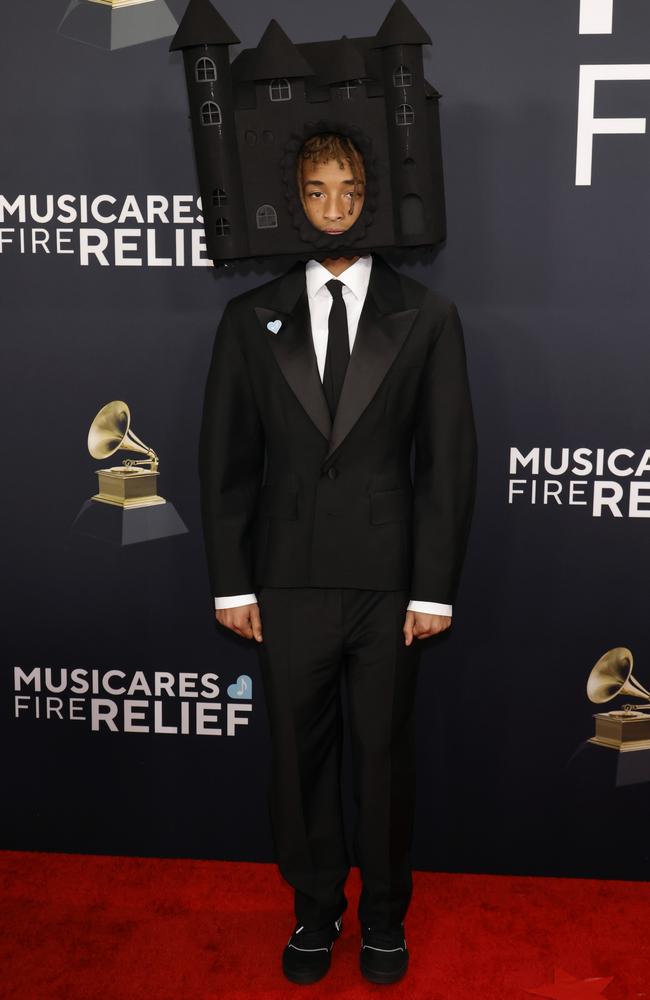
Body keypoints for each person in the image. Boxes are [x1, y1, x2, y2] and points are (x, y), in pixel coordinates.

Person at [198, 132, 477, 985]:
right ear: (295, 199)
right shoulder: (250, 317)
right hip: (285, 582)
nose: (332, 208)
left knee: (384, 758)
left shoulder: (425, 316)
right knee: (297, 757)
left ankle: (386, 917)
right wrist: (232, 580)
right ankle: (315, 911)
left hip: (390, 584)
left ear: (371, 197)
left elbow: (449, 460)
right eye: (315, 193)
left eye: (347, 191)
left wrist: (433, 589)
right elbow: (226, 461)